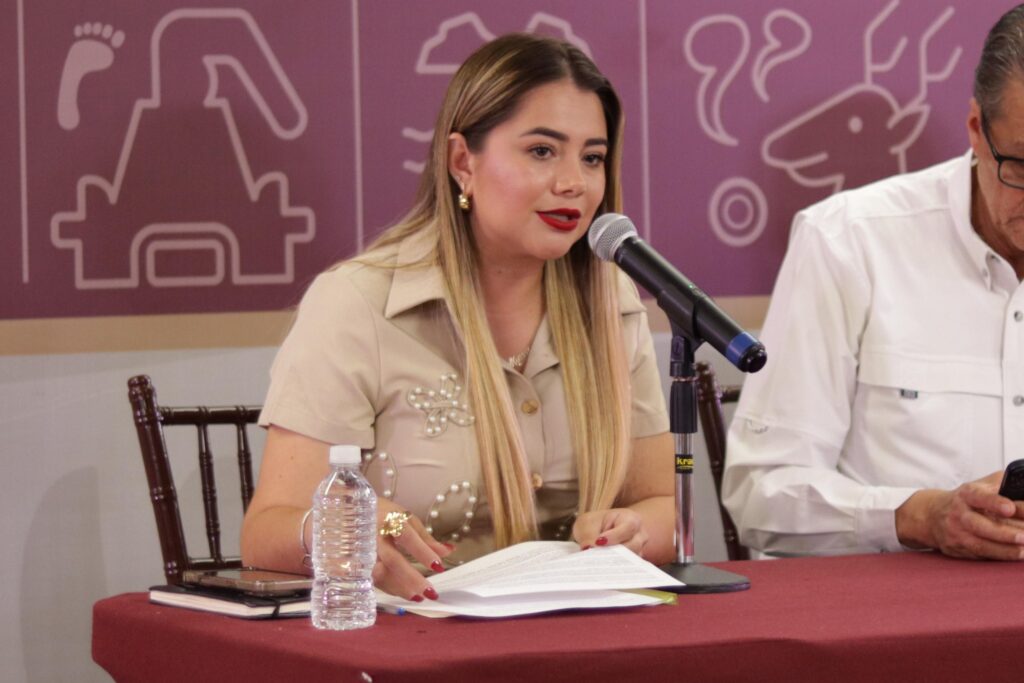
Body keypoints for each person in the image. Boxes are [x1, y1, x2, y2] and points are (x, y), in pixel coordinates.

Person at [240, 34, 675, 602]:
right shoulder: (357, 303)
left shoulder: (610, 298)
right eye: (542, 151)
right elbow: (266, 532)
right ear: (462, 162)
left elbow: (660, 506)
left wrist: (635, 532)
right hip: (413, 628)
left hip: (579, 626)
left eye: (592, 158)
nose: (574, 182)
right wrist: (344, 529)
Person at [722, 5, 1024, 561]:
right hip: (892, 605)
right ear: (977, 130)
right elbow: (762, 493)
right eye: (1023, 167)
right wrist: (916, 516)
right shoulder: (848, 241)